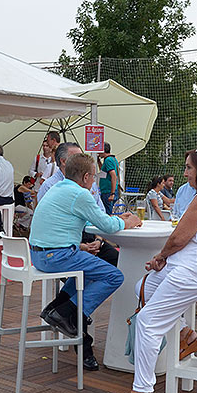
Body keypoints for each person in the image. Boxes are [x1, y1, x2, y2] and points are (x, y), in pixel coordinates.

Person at [113, 145, 197, 393]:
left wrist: (160, 257)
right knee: (142, 286)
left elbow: (179, 237)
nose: (185, 172)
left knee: (146, 321)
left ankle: (143, 390)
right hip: (195, 266)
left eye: (189, 167)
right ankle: (183, 334)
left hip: (195, 271)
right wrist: (164, 259)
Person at [33, 153, 142, 371]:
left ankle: (57, 308)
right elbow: (107, 226)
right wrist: (128, 221)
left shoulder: (58, 188)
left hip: (39, 255)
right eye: (93, 176)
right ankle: (67, 314)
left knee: (86, 272)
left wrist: (118, 221)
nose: (94, 181)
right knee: (114, 275)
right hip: (57, 256)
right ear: (84, 177)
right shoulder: (80, 194)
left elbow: (99, 222)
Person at [37, 142, 120, 267]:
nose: (83, 160)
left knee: (118, 261)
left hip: (90, 237)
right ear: (64, 161)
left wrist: (98, 239)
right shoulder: (50, 186)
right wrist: (79, 246)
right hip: (64, 245)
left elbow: (100, 214)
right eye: (78, 157)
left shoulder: (89, 183)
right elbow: (48, 225)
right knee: (108, 274)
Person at [98, 142, 119, 214]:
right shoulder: (110, 159)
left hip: (108, 191)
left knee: (107, 212)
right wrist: (98, 161)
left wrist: (112, 194)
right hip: (107, 191)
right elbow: (104, 171)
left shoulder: (108, 160)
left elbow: (113, 175)